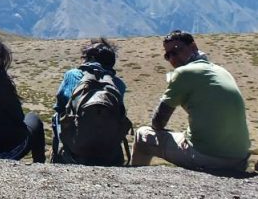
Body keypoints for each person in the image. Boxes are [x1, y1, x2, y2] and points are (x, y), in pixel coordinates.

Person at [130, 30, 250, 171]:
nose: (173, 58)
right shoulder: (221, 71)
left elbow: (158, 122)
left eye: (176, 50)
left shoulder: (183, 72)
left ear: (193, 46)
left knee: (142, 135)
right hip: (240, 158)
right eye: (168, 55)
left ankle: (134, 180)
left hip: (207, 157)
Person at [51, 37, 128, 165]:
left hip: (75, 150)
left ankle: (58, 156)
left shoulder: (72, 75)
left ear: (89, 58)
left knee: (57, 115)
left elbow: (60, 105)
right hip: (109, 153)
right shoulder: (119, 84)